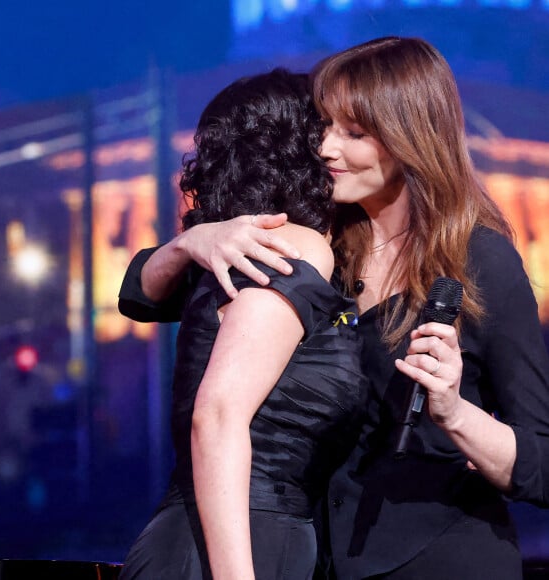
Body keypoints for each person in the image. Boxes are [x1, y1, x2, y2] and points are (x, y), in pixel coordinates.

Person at [118, 37, 549, 580]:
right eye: (324, 127)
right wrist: (192, 242)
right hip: (318, 559)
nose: (325, 148)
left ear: (408, 138)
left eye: (354, 133)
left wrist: (455, 413)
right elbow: (139, 295)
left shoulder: (480, 261)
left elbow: (542, 463)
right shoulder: (320, 248)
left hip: (442, 558)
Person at [118, 68, 370, 580]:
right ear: (298, 145)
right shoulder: (290, 246)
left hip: (223, 538)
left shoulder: (240, 256)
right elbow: (216, 416)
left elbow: (140, 293)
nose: (334, 145)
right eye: (326, 129)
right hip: (239, 546)